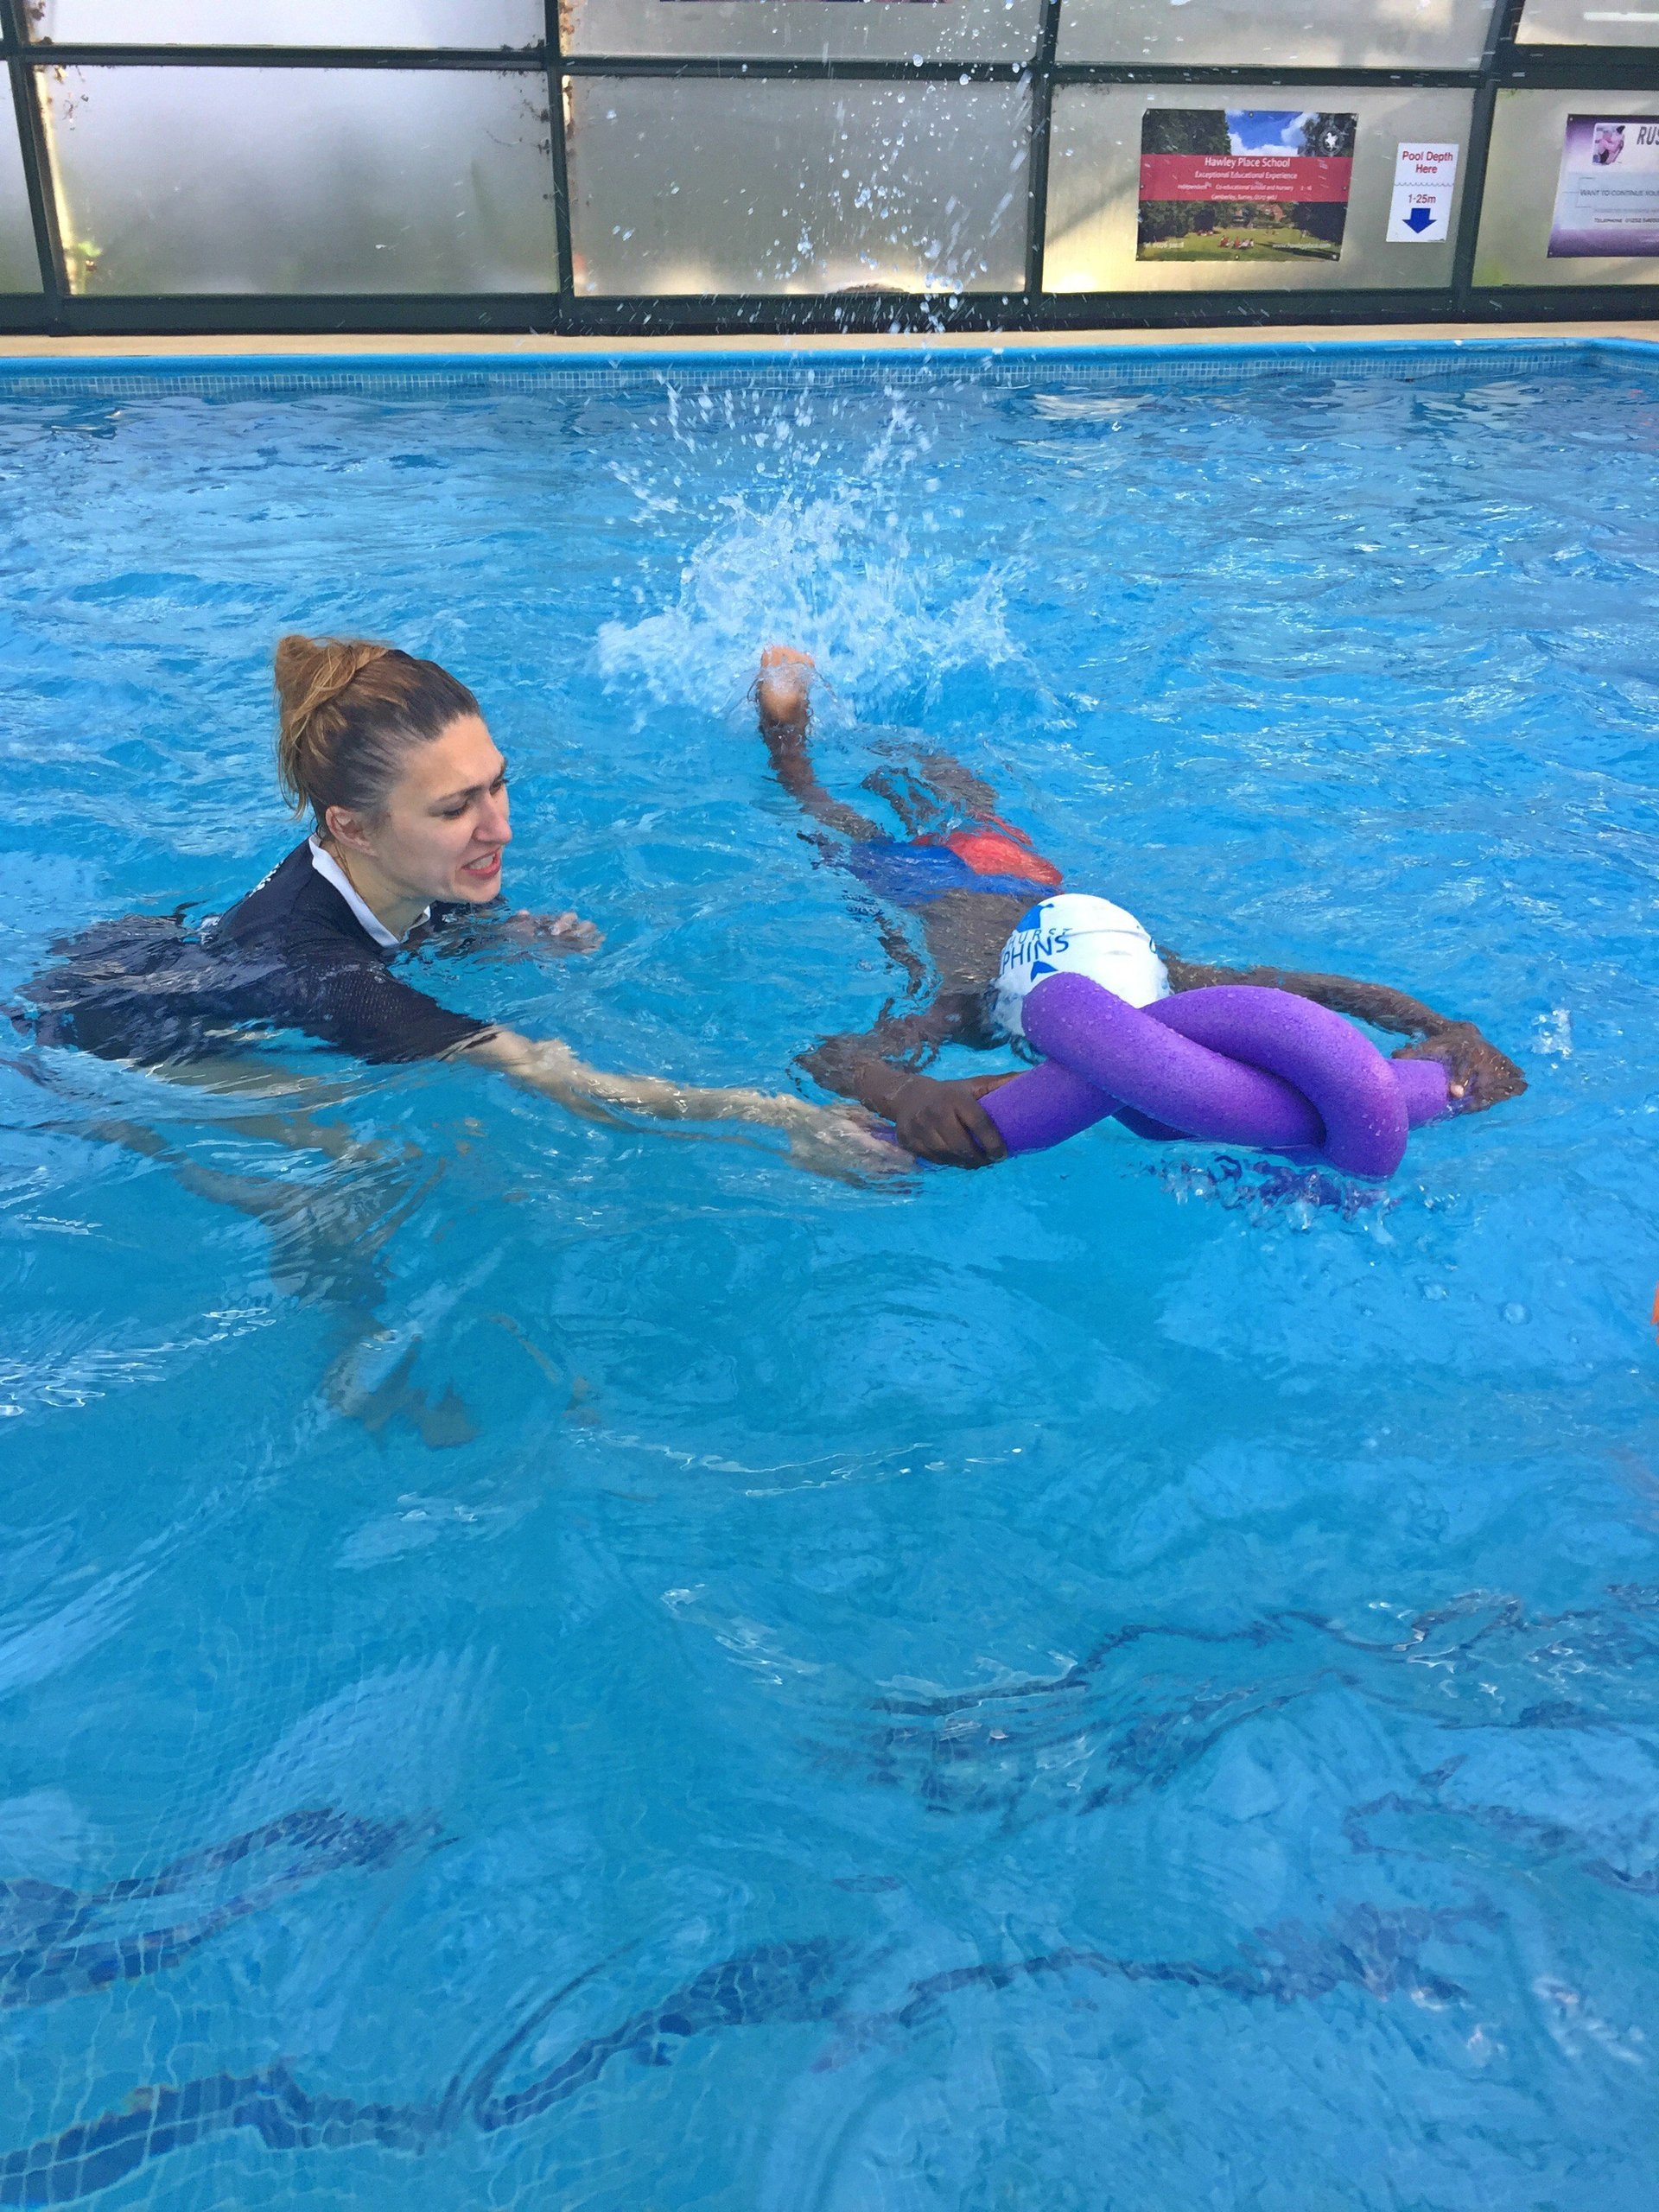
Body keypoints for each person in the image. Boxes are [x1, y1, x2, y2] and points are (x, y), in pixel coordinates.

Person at [25, 635, 884, 1178]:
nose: (498, 828)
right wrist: (782, 1121)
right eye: (454, 809)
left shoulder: (400, 868)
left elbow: (419, 923)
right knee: (357, 1163)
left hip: (168, 956)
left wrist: (504, 936)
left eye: (497, 785)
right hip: (106, 1040)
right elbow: (552, 1073)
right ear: (351, 828)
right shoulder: (324, 976)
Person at [753, 645, 1525, 1168]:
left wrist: (1451, 1033)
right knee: (831, 820)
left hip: (1020, 870)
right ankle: (789, 737)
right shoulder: (966, 1006)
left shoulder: (1180, 980)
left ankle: (900, 746)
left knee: (962, 801)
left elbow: (1325, 995)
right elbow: (832, 1055)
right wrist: (908, 1092)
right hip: (935, 886)